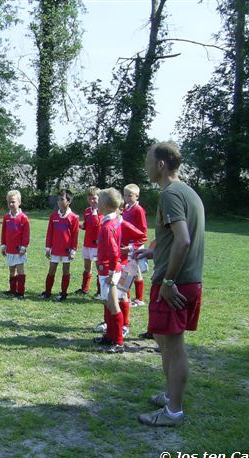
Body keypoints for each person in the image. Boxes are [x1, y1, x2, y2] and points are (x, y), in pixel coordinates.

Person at [136, 142, 205, 427]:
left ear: (161, 164)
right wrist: (155, 252)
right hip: (184, 279)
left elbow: (184, 239)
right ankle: (170, 395)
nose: (146, 166)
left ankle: (173, 411)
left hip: (175, 283)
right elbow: (176, 238)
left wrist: (168, 281)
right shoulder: (187, 192)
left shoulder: (170, 194)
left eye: (148, 161)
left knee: (173, 347)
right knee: (165, 342)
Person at [91, 188, 127, 353]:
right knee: (108, 303)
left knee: (113, 305)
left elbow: (114, 252)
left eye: (98, 199)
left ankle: (118, 341)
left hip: (109, 271)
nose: (96, 201)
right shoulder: (112, 221)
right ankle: (110, 336)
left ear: (105, 204)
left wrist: (112, 274)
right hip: (106, 270)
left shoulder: (107, 226)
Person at [38, 189, 79, 302]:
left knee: (66, 271)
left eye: (62, 199)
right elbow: (49, 233)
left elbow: (75, 235)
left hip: (66, 250)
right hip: (55, 249)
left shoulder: (74, 217)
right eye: (58, 200)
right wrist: (48, 248)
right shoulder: (53, 216)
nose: (59, 202)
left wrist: (73, 250)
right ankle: (47, 292)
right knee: (51, 270)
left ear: (69, 201)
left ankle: (64, 293)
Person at [0, 190, 30, 299]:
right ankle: (12, 290)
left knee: (20, 269)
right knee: (12, 269)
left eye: (13, 202)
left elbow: (26, 235)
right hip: (10, 249)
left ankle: (20, 292)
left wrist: (24, 247)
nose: (11, 204)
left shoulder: (23, 218)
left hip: (19, 250)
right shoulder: (6, 218)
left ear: (19, 202)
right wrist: (3, 245)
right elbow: (3, 232)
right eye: (9, 202)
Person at [122, 183, 148, 307]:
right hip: (127, 244)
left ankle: (134, 298)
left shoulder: (139, 210)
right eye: (125, 195)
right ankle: (133, 297)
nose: (127, 198)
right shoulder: (126, 208)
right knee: (134, 270)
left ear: (137, 196)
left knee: (131, 270)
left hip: (134, 245)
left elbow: (143, 232)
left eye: (130, 195)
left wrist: (134, 246)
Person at [74, 186, 102, 297]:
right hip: (87, 243)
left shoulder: (102, 211)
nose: (92, 201)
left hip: (97, 244)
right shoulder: (87, 211)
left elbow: (97, 225)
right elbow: (87, 225)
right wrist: (79, 225)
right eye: (90, 198)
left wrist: (95, 212)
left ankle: (100, 291)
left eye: (94, 198)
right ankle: (85, 288)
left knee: (99, 268)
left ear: (100, 198)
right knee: (87, 267)